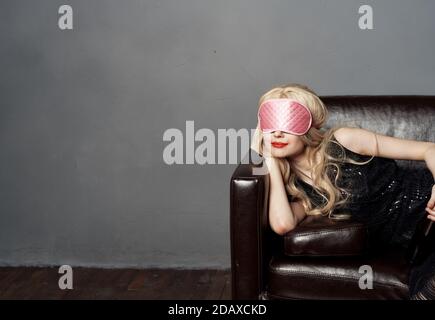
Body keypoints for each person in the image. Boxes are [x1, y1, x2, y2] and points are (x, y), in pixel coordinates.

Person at [250, 83, 435, 299]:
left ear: (308, 126)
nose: (278, 133)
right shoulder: (300, 191)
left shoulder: (344, 140)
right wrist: (269, 159)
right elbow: (283, 224)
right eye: (271, 125)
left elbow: (429, 149)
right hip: (417, 241)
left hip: (427, 202)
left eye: (288, 122)